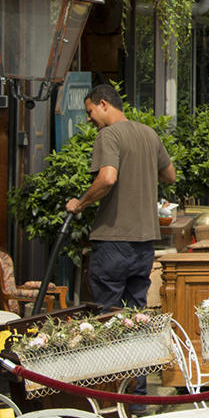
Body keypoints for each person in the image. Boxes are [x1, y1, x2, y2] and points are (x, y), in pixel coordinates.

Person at [66, 84, 176, 311]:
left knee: (107, 315)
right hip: (144, 243)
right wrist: (140, 167)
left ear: (103, 104)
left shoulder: (108, 135)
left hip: (114, 240)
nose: (89, 119)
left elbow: (107, 178)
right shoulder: (149, 134)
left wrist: (80, 204)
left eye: (90, 112)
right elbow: (170, 175)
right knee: (136, 315)